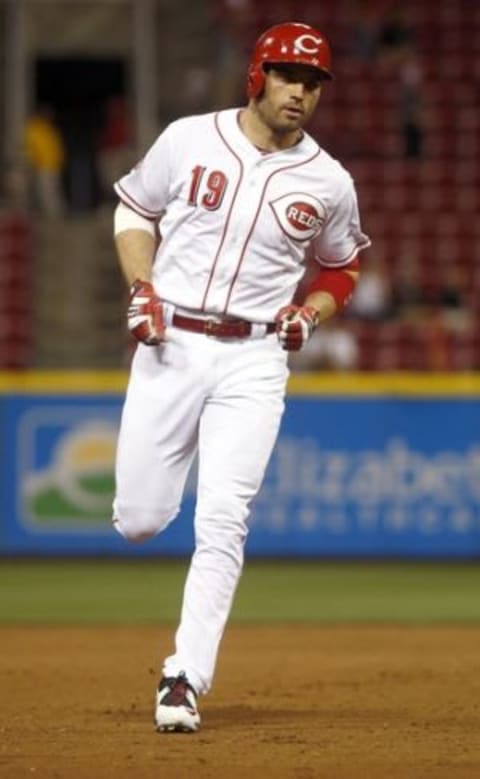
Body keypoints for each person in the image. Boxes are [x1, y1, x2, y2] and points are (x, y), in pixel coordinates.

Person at [112, 21, 370, 733]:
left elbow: (342, 265)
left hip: (255, 358)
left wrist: (310, 314)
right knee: (138, 520)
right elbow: (135, 207)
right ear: (257, 74)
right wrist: (142, 284)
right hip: (170, 343)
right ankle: (152, 529)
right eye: (288, 75)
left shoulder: (328, 181)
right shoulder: (189, 138)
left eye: (313, 81)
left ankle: (183, 677)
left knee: (224, 518)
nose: (300, 92)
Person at [23, 104, 66, 217]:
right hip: (42, 166)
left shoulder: (50, 129)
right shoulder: (34, 129)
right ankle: (50, 214)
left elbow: (56, 147)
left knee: (53, 190)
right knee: (45, 192)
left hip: (53, 165)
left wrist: (60, 161)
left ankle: (55, 214)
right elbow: (30, 148)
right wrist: (32, 164)